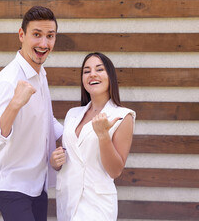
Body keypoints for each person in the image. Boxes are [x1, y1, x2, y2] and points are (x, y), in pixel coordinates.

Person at [0, 6, 63, 221]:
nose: (44, 44)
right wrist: (15, 104)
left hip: (37, 184)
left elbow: (46, 120)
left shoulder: (40, 73)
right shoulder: (8, 81)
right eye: (37, 35)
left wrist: (81, 131)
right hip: (12, 186)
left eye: (50, 36)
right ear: (21, 35)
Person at [50, 52, 136, 221]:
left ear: (110, 76)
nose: (92, 74)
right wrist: (55, 163)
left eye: (99, 69)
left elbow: (115, 170)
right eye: (86, 71)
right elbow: (71, 156)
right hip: (67, 201)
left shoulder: (122, 116)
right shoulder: (72, 114)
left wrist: (103, 136)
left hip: (96, 205)